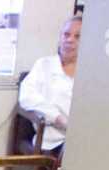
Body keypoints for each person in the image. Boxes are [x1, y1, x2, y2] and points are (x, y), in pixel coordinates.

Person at [19, 13, 81, 155]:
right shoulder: (44, 65)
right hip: (53, 141)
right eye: (66, 35)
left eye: (78, 37)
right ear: (60, 38)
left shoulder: (92, 73)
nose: (70, 40)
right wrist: (58, 118)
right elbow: (27, 97)